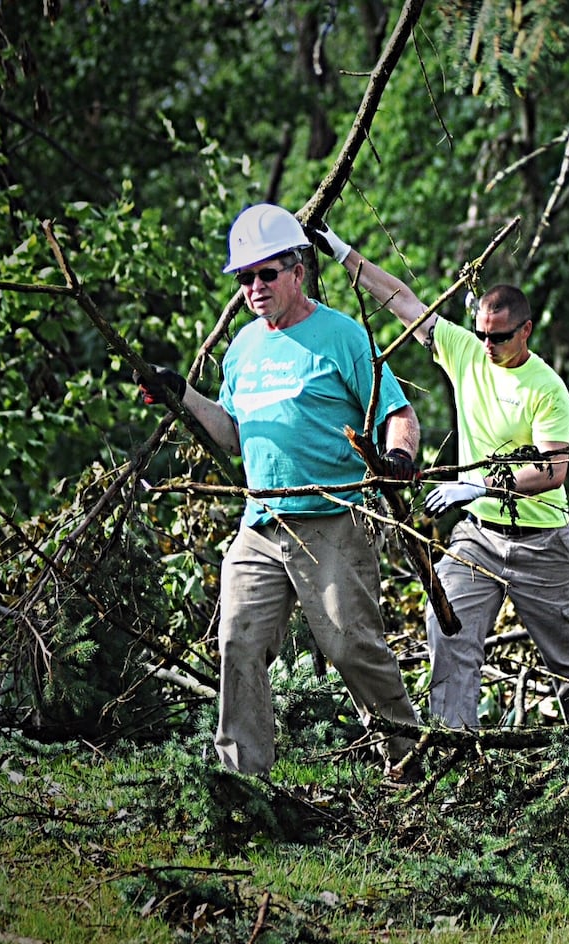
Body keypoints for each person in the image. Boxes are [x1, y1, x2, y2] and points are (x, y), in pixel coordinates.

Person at [138, 203, 423, 779]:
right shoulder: (243, 348)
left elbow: (399, 412)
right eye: (245, 277)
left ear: (298, 270)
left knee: (350, 648)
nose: (255, 287)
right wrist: (181, 394)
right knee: (237, 643)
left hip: (331, 519)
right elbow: (232, 431)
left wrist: (399, 457)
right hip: (261, 522)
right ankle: (244, 784)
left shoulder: (341, 335)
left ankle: (411, 763)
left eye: (266, 273)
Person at [305, 220, 569, 729]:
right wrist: (342, 252)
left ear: (526, 331)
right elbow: (402, 300)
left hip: (543, 544)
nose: (487, 345)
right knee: (448, 637)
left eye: (498, 337)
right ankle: (457, 761)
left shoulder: (547, 389)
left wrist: (479, 484)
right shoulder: (467, 351)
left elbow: (552, 469)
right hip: (478, 538)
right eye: (481, 334)